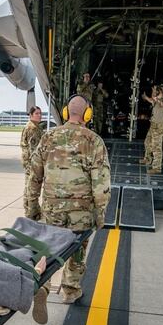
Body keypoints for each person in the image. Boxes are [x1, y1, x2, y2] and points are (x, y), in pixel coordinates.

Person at [26, 95, 111, 304]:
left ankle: (43, 284)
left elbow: (34, 176)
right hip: (81, 212)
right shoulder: (93, 140)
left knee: (49, 247)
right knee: (76, 251)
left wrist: (31, 207)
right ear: (87, 114)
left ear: (65, 112)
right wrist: (100, 214)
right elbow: (101, 184)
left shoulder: (48, 137)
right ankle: (70, 291)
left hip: (52, 207)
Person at [139, 85, 163, 174]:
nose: (155, 94)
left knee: (156, 147)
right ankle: (148, 159)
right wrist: (146, 96)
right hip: (153, 125)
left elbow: (160, 103)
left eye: (157, 92)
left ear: (160, 92)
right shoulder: (156, 101)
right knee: (147, 142)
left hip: (159, 127)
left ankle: (157, 167)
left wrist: (155, 96)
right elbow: (151, 100)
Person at [20, 106, 44, 217]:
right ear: (31, 115)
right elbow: (34, 149)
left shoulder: (34, 126)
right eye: (37, 113)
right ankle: (31, 211)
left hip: (28, 160)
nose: (39, 115)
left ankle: (28, 208)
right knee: (32, 186)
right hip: (32, 161)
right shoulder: (32, 128)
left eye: (40, 113)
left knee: (28, 185)